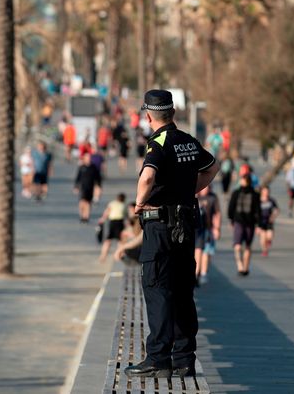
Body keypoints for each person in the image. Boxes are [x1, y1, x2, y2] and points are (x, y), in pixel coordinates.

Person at [125, 89, 219, 378]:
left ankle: (157, 358)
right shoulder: (188, 141)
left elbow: (149, 176)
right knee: (181, 290)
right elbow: (212, 166)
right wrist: (190, 190)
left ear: (148, 115)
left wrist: (140, 203)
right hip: (186, 225)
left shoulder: (159, 142)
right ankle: (183, 358)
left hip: (160, 226)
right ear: (173, 113)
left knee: (157, 288)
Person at [228, 174, 260, 276]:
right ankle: (240, 265)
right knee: (237, 246)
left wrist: (258, 224)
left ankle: (245, 267)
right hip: (238, 222)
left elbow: (257, 210)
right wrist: (231, 220)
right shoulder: (236, 193)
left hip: (250, 223)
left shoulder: (254, 194)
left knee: (247, 246)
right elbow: (231, 208)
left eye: (243, 180)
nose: (242, 182)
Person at [194, 185, 221, 286]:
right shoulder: (195, 196)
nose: (206, 189)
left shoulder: (212, 197)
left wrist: (217, 228)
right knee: (198, 251)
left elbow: (217, 213)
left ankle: (199, 274)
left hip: (206, 229)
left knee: (203, 251)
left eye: (207, 187)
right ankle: (198, 273)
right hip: (193, 229)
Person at [98, 193, 127, 262]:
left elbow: (107, 212)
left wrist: (102, 219)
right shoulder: (123, 205)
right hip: (119, 223)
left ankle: (104, 256)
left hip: (114, 222)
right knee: (119, 241)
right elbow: (126, 216)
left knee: (109, 240)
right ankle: (119, 255)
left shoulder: (113, 203)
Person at [74, 152, 102, 223]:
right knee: (82, 202)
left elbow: (98, 178)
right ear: (84, 159)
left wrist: (98, 186)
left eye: (89, 158)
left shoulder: (93, 167)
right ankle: (82, 215)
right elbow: (78, 177)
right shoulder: (82, 167)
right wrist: (76, 186)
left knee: (88, 203)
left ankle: (86, 216)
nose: (89, 159)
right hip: (83, 187)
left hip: (90, 187)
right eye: (87, 158)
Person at [258, 186, 279, 257]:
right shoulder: (258, 200)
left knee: (269, 236)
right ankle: (264, 250)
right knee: (263, 238)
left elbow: (276, 209)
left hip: (269, 221)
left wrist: (273, 216)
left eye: (267, 191)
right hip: (261, 222)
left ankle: (268, 243)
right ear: (262, 192)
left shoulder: (271, 200)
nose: (266, 193)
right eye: (264, 191)